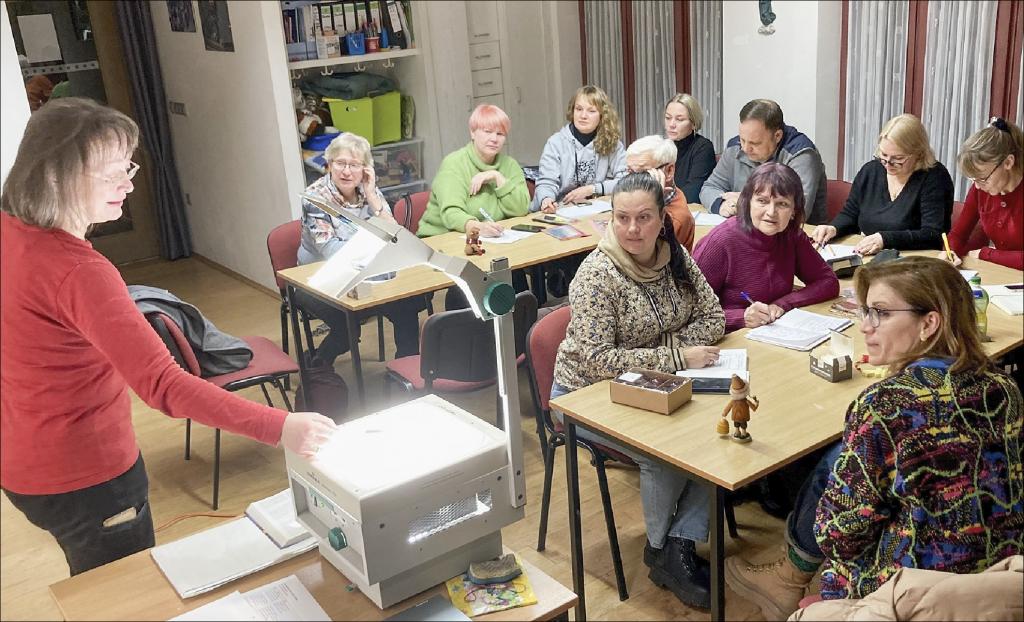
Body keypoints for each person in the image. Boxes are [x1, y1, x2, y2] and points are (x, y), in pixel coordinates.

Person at [0, 98, 336, 576]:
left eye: (128, 167)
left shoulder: (11, 231)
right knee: (126, 598)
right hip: (88, 478)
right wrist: (281, 427)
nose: (129, 183)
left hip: (22, 463)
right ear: (54, 176)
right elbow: (164, 385)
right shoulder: (77, 271)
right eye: (112, 174)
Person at [725, 256, 1023, 620]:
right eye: (865, 311)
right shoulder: (1005, 389)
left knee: (831, 476)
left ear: (929, 323)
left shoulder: (886, 404)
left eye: (880, 313)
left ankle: (786, 582)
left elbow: (839, 535)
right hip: (998, 583)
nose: (865, 327)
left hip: (910, 592)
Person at [552, 172, 726, 608]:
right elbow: (597, 359)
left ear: (661, 218)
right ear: (610, 218)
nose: (632, 229)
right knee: (664, 455)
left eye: (644, 217)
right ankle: (661, 547)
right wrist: (674, 357)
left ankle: (675, 546)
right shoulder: (597, 275)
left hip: (657, 384)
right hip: (586, 395)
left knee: (720, 436)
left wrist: (662, 355)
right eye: (622, 217)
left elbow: (713, 319)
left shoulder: (677, 259)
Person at [294, 132, 424, 363]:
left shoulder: (368, 190)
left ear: (365, 169)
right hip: (318, 278)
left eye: (354, 165)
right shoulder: (315, 199)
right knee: (346, 328)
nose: (346, 171)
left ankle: (407, 372)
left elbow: (396, 237)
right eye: (340, 163)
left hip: (366, 273)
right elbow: (332, 251)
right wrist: (375, 251)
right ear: (329, 165)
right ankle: (317, 363)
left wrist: (373, 198)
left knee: (406, 305)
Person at [693, 163, 839, 333]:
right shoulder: (719, 243)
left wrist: (783, 304)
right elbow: (690, 314)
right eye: (762, 201)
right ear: (747, 203)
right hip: (728, 340)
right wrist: (742, 317)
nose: (771, 212)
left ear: (794, 211)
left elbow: (828, 282)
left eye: (782, 204)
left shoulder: (791, 235)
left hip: (773, 333)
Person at [812, 114, 954, 255]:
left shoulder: (934, 177)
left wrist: (885, 239)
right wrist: (833, 228)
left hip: (914, 261)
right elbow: (851, 214)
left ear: (918, 153)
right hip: (869, 256)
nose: (888, 164)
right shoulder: (871, 171)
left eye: (898, 159)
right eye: (883, 156)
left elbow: (932, 235)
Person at [700, 98, 828, 224]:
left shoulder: (801, 154)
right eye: (743, 140)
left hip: (796, 236)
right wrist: (721, 204)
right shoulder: (735, 147)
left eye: (755, 143)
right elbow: (709, 187)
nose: (745, 148)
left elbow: (798, 210)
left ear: (777, 136)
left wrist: (745, 201)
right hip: (745, 229)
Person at [417, 104, 529, 238]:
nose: (494, 139)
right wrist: (478, 228)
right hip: (442, 238)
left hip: (493, 240)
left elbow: (521, 209)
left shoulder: (510, 164)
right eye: (487, 131)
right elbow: (451, 213)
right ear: (472, 132)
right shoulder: (454, 163)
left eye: (500, 134)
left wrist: (497, 177)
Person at [941, 116, 1023, 270]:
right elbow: (959, 234)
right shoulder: (982, 188)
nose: (977, 186)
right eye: (973, 179)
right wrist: (950, 251)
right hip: (1004, 276)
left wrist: (987, 254)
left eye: (983, 178)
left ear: (1008, 162)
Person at [532, 85, 627, 213]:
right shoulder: (555, 143)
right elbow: (546, 182)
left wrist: (591, 189)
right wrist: (546, 199)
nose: (583, 115)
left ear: (602, 116)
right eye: (579, 109)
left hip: (598, 210)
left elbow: (625, 182)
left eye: (591, 111)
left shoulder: (613, 144)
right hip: (562, 210)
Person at [625, 134, 696, 251]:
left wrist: (652, 201)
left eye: (643, 173)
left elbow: (645, 255)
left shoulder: (677, 218)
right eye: (630, 172)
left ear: (669, 171)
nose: (633, 180)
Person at [664, 93, 716, 204]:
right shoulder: (662, 147)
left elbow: (693, 192)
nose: (671, 124)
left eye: (679, 119)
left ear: (693, 124)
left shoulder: (703, 147)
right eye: (668, 118)